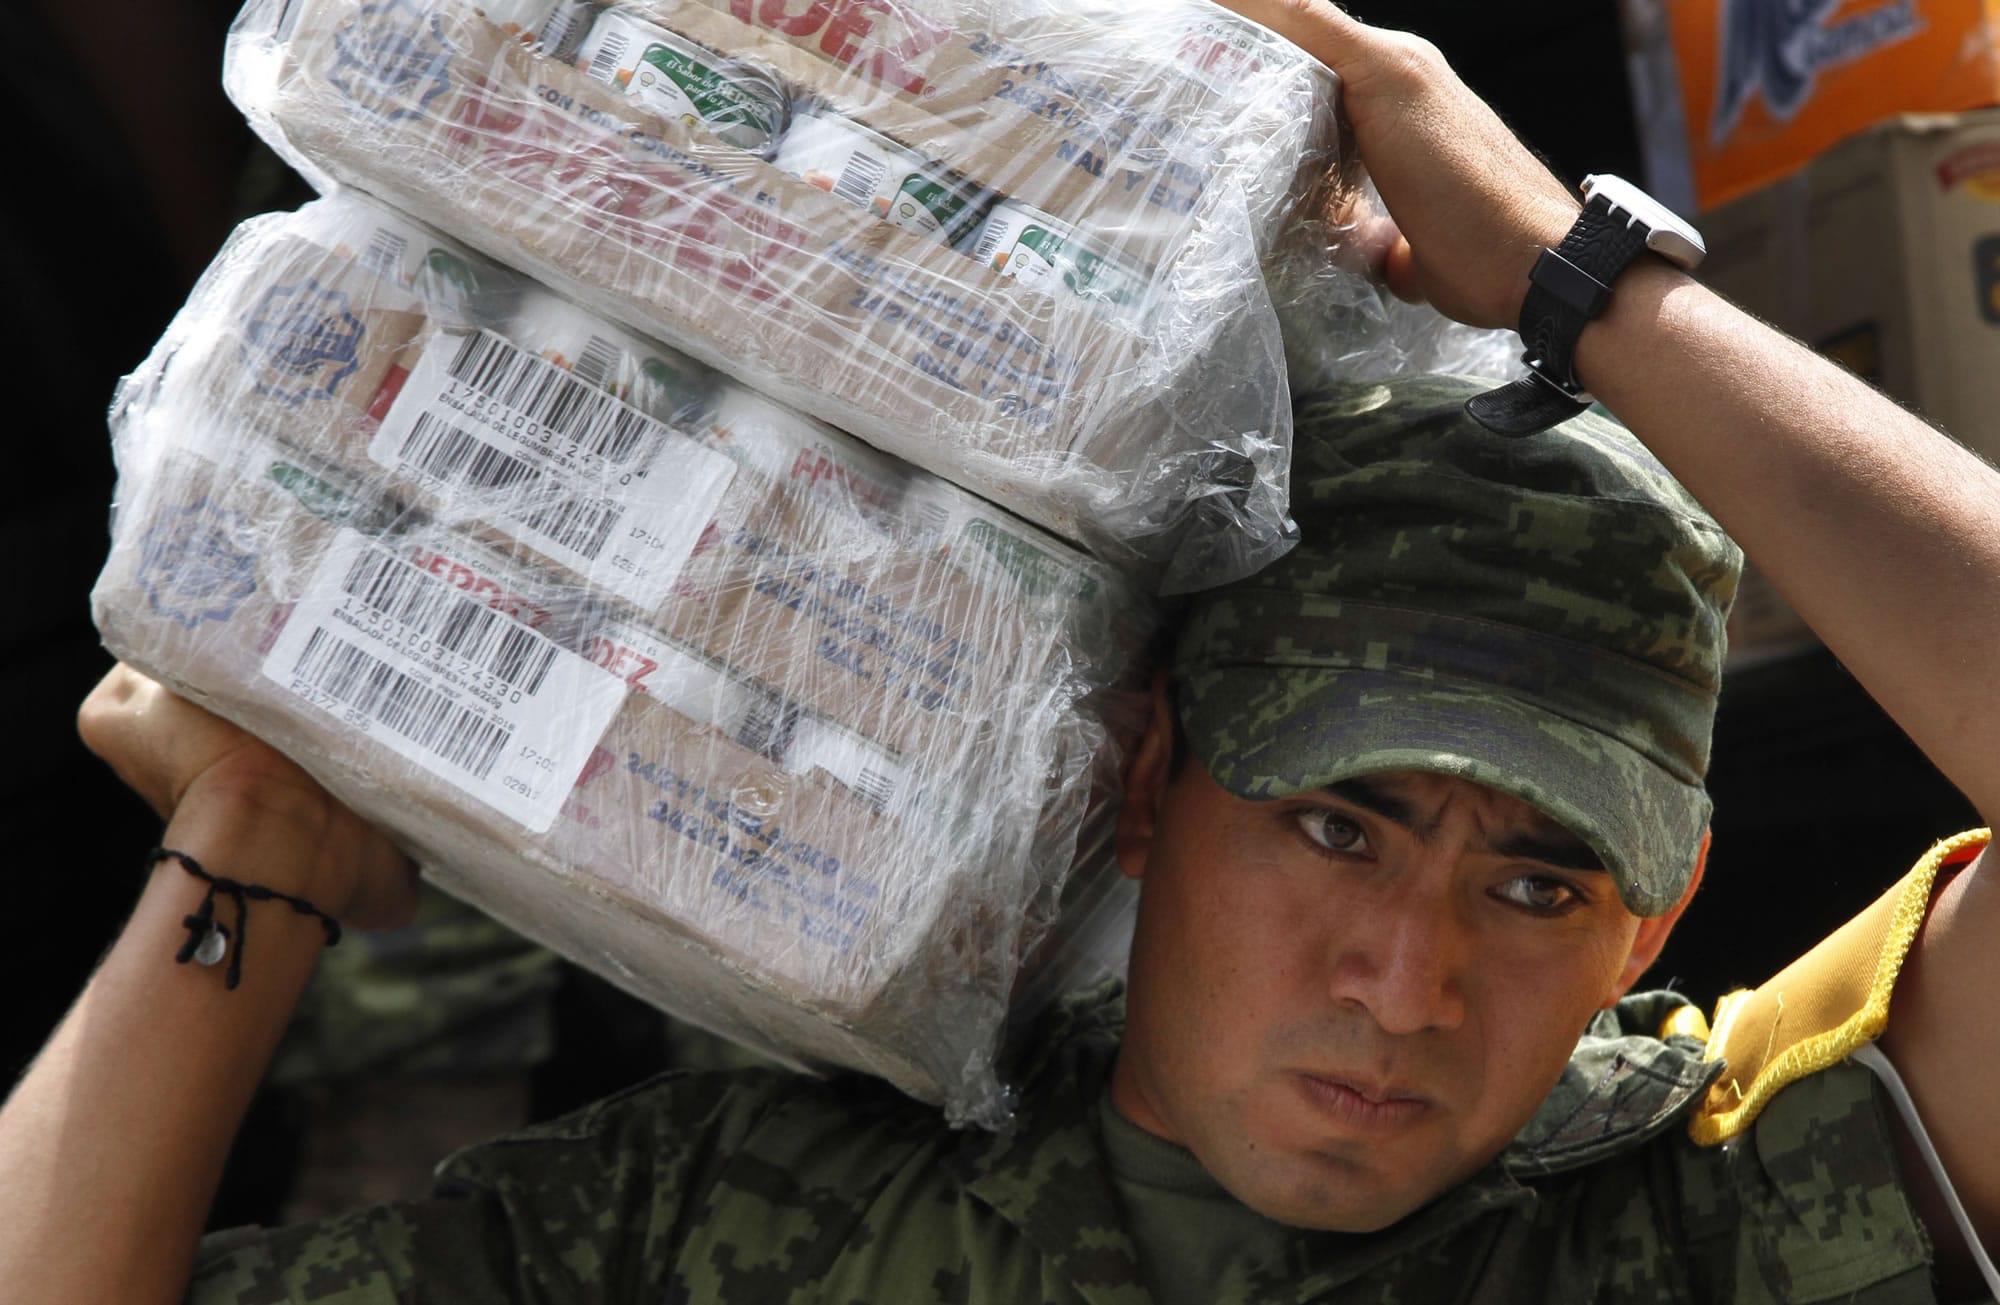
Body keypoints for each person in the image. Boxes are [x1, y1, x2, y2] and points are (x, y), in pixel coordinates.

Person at [6, 1, 1999, 1299]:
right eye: (1339, 824)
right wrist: (248, 845)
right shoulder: (746, 1224)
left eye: (1540, 875)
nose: (1407, 977)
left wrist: (1588, 291)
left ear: (1654, 923)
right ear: (1146, 786)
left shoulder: (1710, 1216)